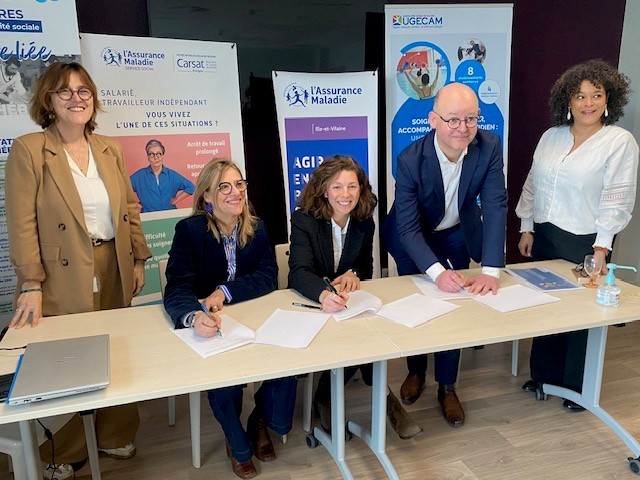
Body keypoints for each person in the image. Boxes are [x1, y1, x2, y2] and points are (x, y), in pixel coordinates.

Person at [5, 61, 151, 479]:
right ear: (48, 99)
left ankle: (115, 434)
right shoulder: (30, 149)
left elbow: (128, 207)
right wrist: (31, 283)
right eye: (65, 91)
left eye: (83, 90)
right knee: (67, 360)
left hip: (113, 262)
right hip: (59, 273)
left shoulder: (109, 148)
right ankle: (66, 449)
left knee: (118, 348)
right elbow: (21, 222)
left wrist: (138, 258)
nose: (76, 99)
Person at [382, 82, 508, 427]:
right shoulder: (410, 159)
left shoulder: (489, 147)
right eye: (453, 119)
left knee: (454, 308)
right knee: (417, 306)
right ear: (433, 120)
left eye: (471, 118)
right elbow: (408, 229)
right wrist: (437, 272)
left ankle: (448, 386)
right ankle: (416, 370)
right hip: (411, 237)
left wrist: (491, 271)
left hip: (455, 234)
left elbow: (495, 206)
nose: (462, 128)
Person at [516, 59, 638, 411]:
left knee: (580, 316)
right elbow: (533, 183)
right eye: (580, 95)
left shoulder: (618, 142)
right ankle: (543, 376)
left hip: (586, 240)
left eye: (596, 94)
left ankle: (576, 387)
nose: (588, 103)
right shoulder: (551, 137)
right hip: (546, 234)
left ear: (609, 98)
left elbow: (617, 197)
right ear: (567, 100)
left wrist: (602, 247)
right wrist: (526, 226)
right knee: (546, 306)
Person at [163, 158, 295, 479]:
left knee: (288, 364)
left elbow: (268, 276)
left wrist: (225, 291)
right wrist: (193, 317)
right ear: (207, 196)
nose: (235, 192)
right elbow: (177, 287)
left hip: (252, 317)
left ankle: (260, 420)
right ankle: (236, 440)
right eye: (224, 187)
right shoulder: (190, 231)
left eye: (239, 184)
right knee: (227, 385)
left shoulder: (257, 227)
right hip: (214, 325)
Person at [288, 155, 422, 440]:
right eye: (337, 186)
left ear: (361, 189)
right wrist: (323, 294)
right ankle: (352, 397)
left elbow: (365, 267)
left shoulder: (363, 221)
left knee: (371, 335)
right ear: (324, 189)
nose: (345, 194)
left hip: (347, 304)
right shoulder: (304, 219)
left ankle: (335, 396)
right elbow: (299, 272)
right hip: (314, 303)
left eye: (352, 186)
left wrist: (354, 273)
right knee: (362, 341)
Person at [129, 138, 195, 212]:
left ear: (163, 156)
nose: (156, 157)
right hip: (148, 216)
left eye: (159, 154)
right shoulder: (139, 176)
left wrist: (176, 200)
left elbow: (191, 187)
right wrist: (135, 205)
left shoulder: (172, 175)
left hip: (169, 215)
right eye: (152, 154)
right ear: (148, 157)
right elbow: (122, 190)